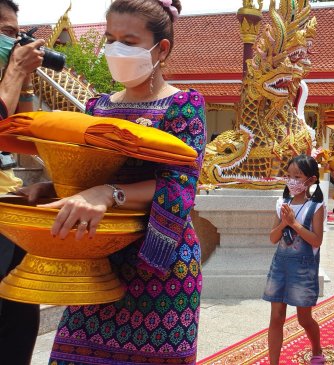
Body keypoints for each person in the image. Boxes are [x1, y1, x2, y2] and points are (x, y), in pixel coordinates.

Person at [20, 1, 206, 363]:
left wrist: (109, 193)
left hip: (159, 266)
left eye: (129, 41)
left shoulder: (183, 106)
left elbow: (179, 186)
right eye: (111, 38)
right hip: (96, 261)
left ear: (161, 49)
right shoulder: (96, 108)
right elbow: (85, 176)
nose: (116, 49)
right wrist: (52, 190)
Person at [0, 1, 46, 363]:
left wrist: (25, 81)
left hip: (8, 204)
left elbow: (26, 142)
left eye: (16, 34)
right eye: (5, 33)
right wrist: (15, 70)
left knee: (19, 309)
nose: (13, 43)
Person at [265, 155, 325, 365]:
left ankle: (317, 349)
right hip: (280, 266)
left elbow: (317, 240)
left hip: (303, 269)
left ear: (310, 180)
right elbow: (273, 238)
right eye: (289, 176)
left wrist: (295, 224)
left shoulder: (315, 206)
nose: (292, 181)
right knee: (276, 317)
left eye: (297, 177)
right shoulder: (282, 203)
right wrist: (284, 223)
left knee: (304, 319)